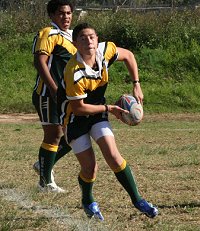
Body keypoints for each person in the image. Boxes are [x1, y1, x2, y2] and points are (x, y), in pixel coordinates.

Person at [57, 23, 158, 220]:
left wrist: (136, 84)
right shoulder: (74, 71)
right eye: (83, 38)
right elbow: (79, 108)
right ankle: (88, 200)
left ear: (97, 39)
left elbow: (128, 55)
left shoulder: (105, 51)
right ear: (75, 43)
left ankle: (138, 200)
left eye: (92, 37)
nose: (89, 41)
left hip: (97, 113)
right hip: (74, 119)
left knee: (113, 155)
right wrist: (109, 108)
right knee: (90, 168)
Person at [32, 0, 76, 192]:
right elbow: (40, 62)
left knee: (74, 135)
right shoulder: (49, 33)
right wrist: (53, 89)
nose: (65, 17)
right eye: (60, 13)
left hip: (68, 96)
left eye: (68, 13)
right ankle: (45, 182)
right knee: (54, 134)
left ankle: (43, 165)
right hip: (47, 94)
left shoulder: (75, 37)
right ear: (51, 15)